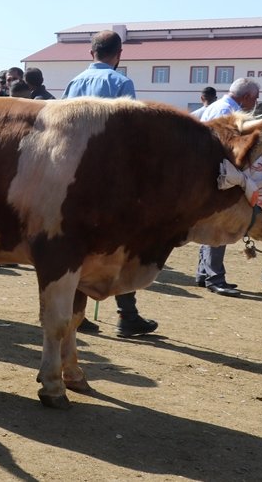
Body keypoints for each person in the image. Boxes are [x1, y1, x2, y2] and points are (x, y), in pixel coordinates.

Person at [62, 30, 157, 338]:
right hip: (110, 176)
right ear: (119, 54)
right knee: (118, 246)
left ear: (91, 52)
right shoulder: (121, 83)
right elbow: (130, 133)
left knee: (78, 244)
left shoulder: (74, 82)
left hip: (74, 174)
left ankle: (77, 314)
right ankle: (127, 315)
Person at [193, 79, 261, 296]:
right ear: (246, 97)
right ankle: (215, 278)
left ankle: (204, 273)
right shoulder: (227, 112)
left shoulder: (216, 107)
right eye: (255, 98)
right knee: (219, 225)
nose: (255, 102)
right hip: (219, 175)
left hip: (211, 173)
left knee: (211, 224)